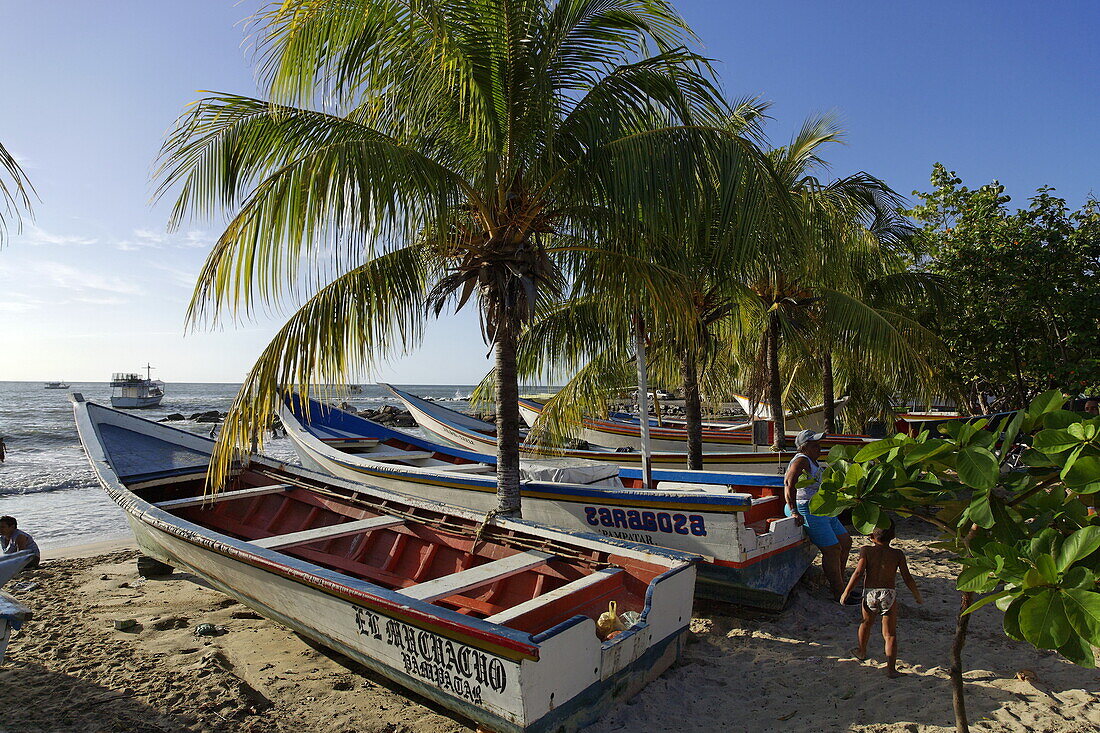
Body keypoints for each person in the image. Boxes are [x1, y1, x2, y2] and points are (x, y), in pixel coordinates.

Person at [840, 521, 923, 677]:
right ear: (893, 536)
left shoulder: (865, 551)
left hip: (870, 593)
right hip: (889, 593)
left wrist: (846, 592)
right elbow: (907, 577)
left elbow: (858, 573)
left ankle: (862, 651)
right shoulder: (897, 554)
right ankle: (891, 669)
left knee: (866, 623)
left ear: (871, 536)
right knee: (890, 634)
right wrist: (916, 595)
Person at [784, 429, 854, 602]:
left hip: (823, 507)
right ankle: (839, 593)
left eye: (818, 444)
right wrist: (794, 511)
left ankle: (839, 583)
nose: (819, 447)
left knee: (845, 542)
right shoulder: (801, 461)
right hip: (807, 507)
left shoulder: (812, 461)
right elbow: (788, 484)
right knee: (832, 550)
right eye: (814, 444)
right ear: (804, 447)